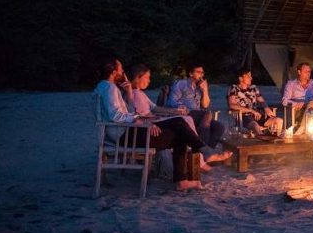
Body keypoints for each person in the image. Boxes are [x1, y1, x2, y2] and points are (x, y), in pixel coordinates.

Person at [93, 57, 230, 191]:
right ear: (113, 72)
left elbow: (126, 112)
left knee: (179, 125)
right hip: (125, 135)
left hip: (125, 132)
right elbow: (116, 115)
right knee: (180, 129)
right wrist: (140, 120)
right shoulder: (109, 88)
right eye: (121, 69)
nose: (123, 73)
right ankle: (201, 154)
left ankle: (186, 174)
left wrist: (130, 95)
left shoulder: (105, 87)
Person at [128, 64, 217, 172]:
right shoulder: (133, 94)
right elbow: (138, 115)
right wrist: (177, 109)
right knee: (186, 121)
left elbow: (154, 108)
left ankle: (201, 155)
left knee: (216, 125)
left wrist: (205, 90)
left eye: (202, 73)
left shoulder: (140, 93)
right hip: (148, 127)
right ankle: (202, 154)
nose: (149, 81)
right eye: (147, 77)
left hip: (157, 121)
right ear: (137, 77)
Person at [167, 63, 225, 148]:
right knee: (207, 114)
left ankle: (206, 151)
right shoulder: (181, 84)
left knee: (219, 127)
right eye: (198, 72)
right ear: (190, 74)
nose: (201, 75)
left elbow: (205, 105)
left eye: (202, 73)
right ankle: (203, 151)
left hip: (198, 116)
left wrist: (205, 90)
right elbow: (171, 101)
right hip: (185, 114)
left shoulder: (200, 87)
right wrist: (180, 106)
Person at [227, 68, 284, 136]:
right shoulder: (234, 88)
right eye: (248, 76)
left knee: (278, 120)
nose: (251, 78)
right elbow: (232, 105)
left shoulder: (253, 88)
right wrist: (251, 110)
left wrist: (266, 108)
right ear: (240, 78)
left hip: (257, 116)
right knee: (255, 125)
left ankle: (276, 140)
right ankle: (262, 140)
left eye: (251, 76)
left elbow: (261, 100)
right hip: (243, 117)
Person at [281, 62, 313, 134]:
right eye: (305, 71)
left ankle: (302, 128)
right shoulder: (291, 84)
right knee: (311, 103)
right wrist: (296, 103)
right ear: (299, 72)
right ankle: (301, 128)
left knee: (312, 103)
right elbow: (284, 101)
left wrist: (307, 103)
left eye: (309, 71)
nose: (308, 73)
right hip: (297, 109)